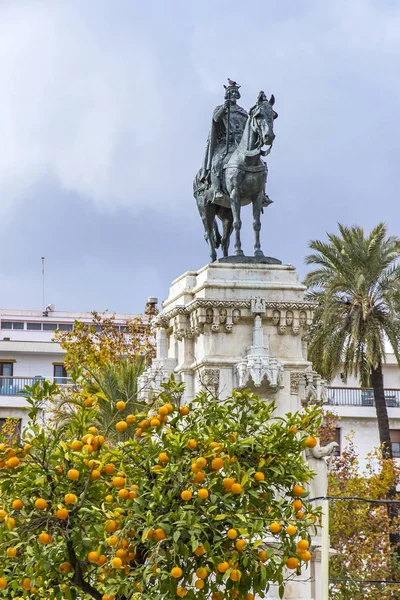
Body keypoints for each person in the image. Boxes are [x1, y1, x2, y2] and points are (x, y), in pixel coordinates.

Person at [201, 80, 248, 201]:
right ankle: (217, 189)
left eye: (235, 92)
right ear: (227, 94)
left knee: (259, 162)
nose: (233, 94)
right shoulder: (220, 109)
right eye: (231, 92)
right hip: (226, 142)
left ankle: (261, 193)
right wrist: (223, 108)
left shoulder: (243, 112)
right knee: (217, 162)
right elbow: (216, 119)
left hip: (241, 143)